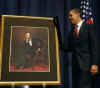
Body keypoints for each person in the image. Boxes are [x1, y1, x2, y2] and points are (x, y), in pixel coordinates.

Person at [64, 8, 99, 88]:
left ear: (78, 14)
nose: (69, 18)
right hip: (75, 66)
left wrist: (95, 64)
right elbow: (69, 47)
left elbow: (94, 46)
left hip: (86, 66)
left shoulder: (89, 27)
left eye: (71, 15)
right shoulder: (72, 30)